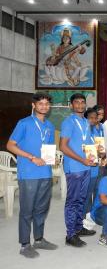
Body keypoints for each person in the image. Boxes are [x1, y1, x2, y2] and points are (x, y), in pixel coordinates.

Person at [7, 92, 58, 258]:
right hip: (29, 173)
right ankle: (24, 244)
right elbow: (10, 145)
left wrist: (53, 158)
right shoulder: (24, 123)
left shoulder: (50, 126)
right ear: (33, 105)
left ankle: (39, 239)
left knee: (42, 208)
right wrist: (31, 157)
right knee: (27, 210)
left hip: (45, 172)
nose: (44, 106)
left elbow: (48, 148)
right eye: (41, 103)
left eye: (47, 104)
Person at [59, 93, 96, 248]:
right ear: (71, 105)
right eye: (77, 102)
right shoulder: (69, 122)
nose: (80, 105)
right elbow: (63, 146)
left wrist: (95, 156)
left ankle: (79, 227)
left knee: (82, 199)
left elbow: (86, 146)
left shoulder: (86, 122)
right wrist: (82, 160)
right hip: (74, 168)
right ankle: (70, 235)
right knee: (72, 201)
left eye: (82, 102)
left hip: (86, 166)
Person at [83, 108, 107, 230]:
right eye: (91, 117)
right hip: (89, 168)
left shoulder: (98, 130)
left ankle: (94, 214)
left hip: (99, 166)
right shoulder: (84, 132)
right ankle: (85, 217)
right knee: (87, 193)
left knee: (98, 191)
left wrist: (103, 154)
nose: (94, 119)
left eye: (95, 117)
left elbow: (101, 147)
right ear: (85, 119)